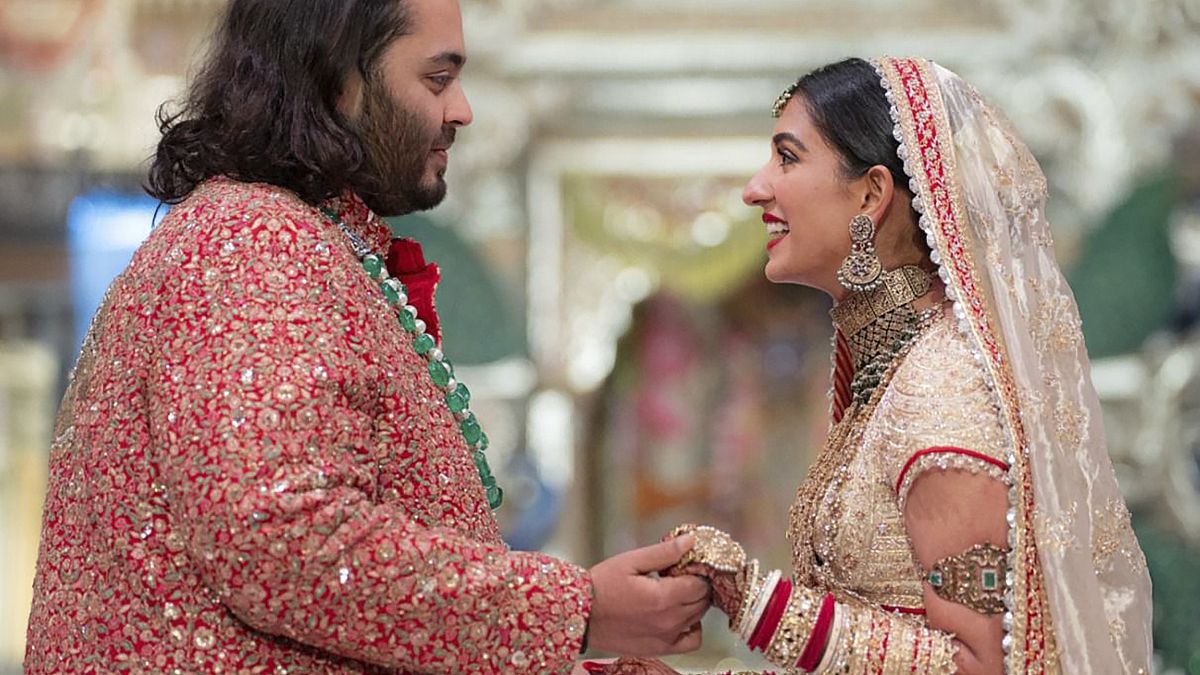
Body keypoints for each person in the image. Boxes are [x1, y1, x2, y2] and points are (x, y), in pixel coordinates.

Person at [22, 0, 711, 672]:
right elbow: (280, 538)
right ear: (339, 79)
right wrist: (576, 609)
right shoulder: (255, 243)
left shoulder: (302, 240)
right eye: (437, 79)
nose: (461, 110)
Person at [595, 56, 1153, 674]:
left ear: (870, 194)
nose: (756, 188)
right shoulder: (893, 373)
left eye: (787, 158)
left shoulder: (943, 392)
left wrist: (761, 605)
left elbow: (986, 664)